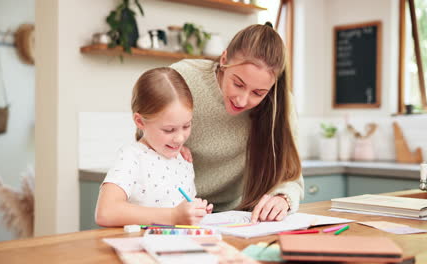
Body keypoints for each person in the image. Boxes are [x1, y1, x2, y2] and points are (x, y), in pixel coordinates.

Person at [170, 23, 303, 223]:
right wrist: (165, 148)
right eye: (238, 84)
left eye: (258, 93)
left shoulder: (280, 104)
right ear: (224, 60)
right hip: (172, 211)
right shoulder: (181, 78)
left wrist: (283, 198)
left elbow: (291, 177)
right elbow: (144, 139)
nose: (242, 100)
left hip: (233, 218)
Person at [95, 67, 213, 227]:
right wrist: (173, 216)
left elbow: (182, 214)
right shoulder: (132, 157)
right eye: (169, 130)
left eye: (186, 126)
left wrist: (195, 213)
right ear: (140, 121)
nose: (179, 138)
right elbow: (105, 213)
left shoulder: (183, 159)